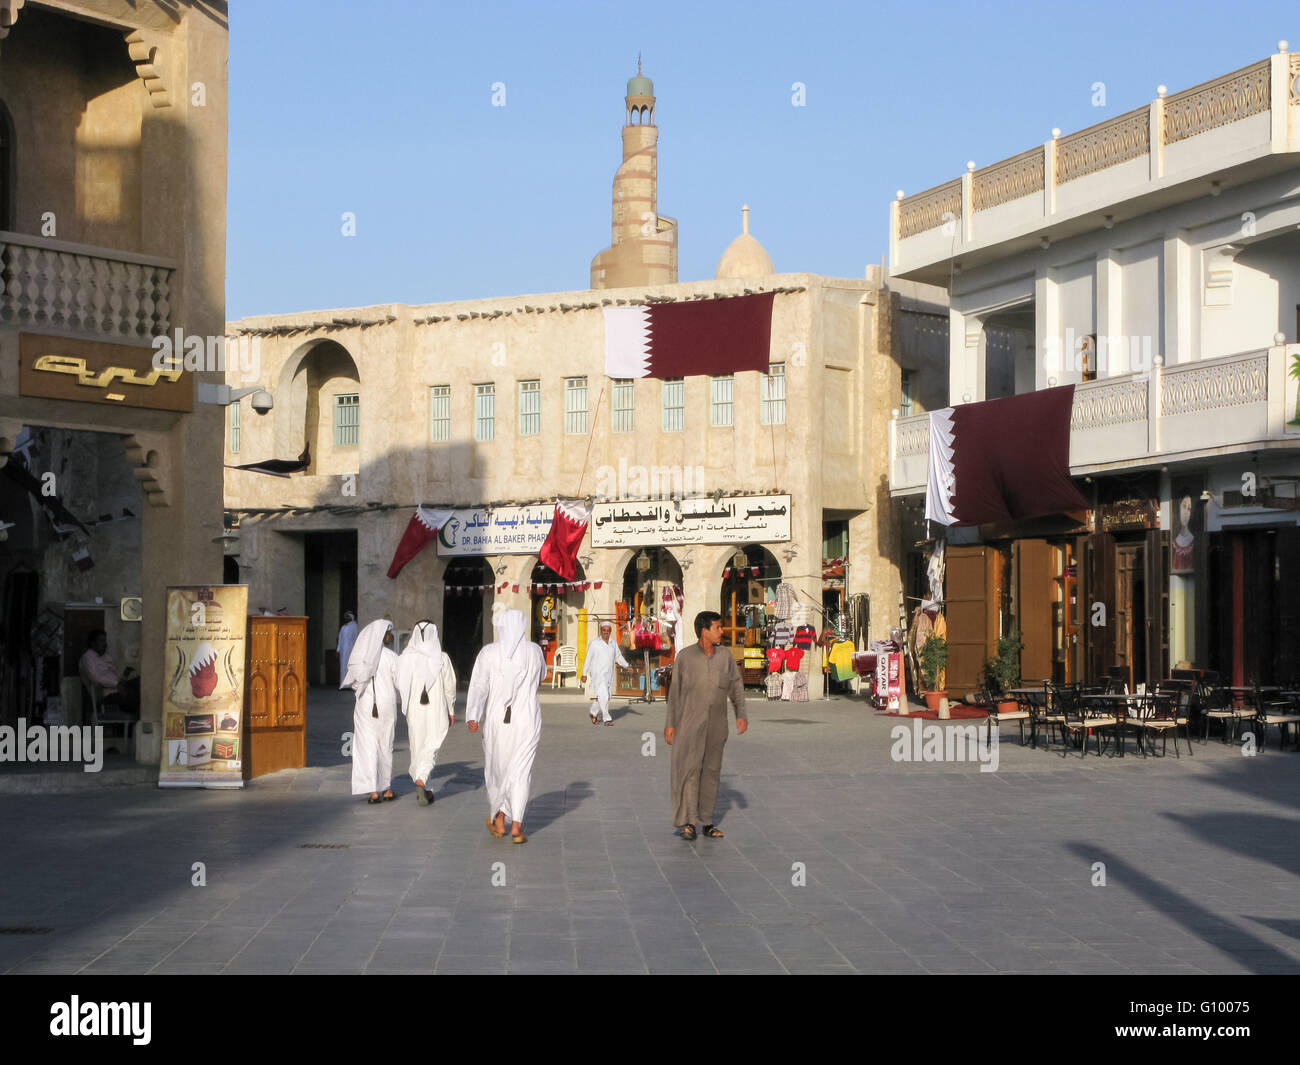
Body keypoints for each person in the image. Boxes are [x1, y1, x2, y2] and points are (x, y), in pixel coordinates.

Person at [664, 610, 747, 841]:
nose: (722, 631)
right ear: (704, 630)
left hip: (717, 726)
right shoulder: (685, 657)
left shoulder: (725, 656)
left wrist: (740, 713)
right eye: (718, 627)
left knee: (711, 772)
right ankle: (689, 822)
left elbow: (736, 685)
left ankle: (707, 822)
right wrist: (670, 724)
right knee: (690, 771)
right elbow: (675, 692)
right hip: (689, 724)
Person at [466, 608, 544, 844]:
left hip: (498, 720)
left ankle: (499, 820)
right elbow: (541, 677)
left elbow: (479, 685)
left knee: (498, 769)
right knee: (520, 771)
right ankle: (517, 826)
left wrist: (473, 714)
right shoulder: (534, 651)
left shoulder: (489, 652)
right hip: (528, 718)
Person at [397, 619, 456, 806]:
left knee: (417, 744)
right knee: (432, 743)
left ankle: (426, 788)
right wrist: (451, 709)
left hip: (415, 708)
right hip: (436, 708)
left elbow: (399, 682)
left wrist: (406, 701)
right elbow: (450, 687)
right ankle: (422, 779)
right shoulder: (442, 657)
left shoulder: (405, 657)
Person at [342, 618, 400, 804]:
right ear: (382, 635)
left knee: (366, 746)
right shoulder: (391, 657)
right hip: (387, 705)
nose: (390, 635)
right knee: (385, 745)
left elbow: (354, 682)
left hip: (366, 705)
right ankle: (386, 788)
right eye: (388, 632)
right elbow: (399, 682)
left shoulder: (360, 657)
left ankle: (372, 791)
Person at [78, 629, 139, 718]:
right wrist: (116, 684)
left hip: (118, 688)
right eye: (101, 641)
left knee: (140, 683)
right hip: (106, 694)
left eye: (105, 640)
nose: (105, 644)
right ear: (93, 644)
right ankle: (136, 726)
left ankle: (136, 723)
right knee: (134, 698)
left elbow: (117, 676)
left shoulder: (106, 657)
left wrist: (125, 675)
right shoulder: (87, 658)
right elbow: (95, 678)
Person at [581, 620, 628, 725]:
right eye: (604, 630)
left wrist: (626, 665)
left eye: (608, 630)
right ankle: (607, 719)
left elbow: (618, 656)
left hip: (609, 675)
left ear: (610, 631)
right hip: (598, 675)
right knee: (604, 695)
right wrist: (584, 674)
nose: (606, 632)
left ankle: (593, 712)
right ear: (601, 631)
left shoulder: (613, 643)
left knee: (604, 696)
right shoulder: (594, 644)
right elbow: (587, 659)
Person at [336, 610, 358, 679]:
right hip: (343, 651)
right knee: (343, 666)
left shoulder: (355, 626)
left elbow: (356, 637)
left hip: (352, 649)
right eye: (345, 617)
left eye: (348, 617)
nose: (346, 618)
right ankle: (343, 684)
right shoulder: (343, 627)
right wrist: (338, 650)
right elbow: (340, 639)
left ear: (351, 617)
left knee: (351, 666)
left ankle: (350, 685)